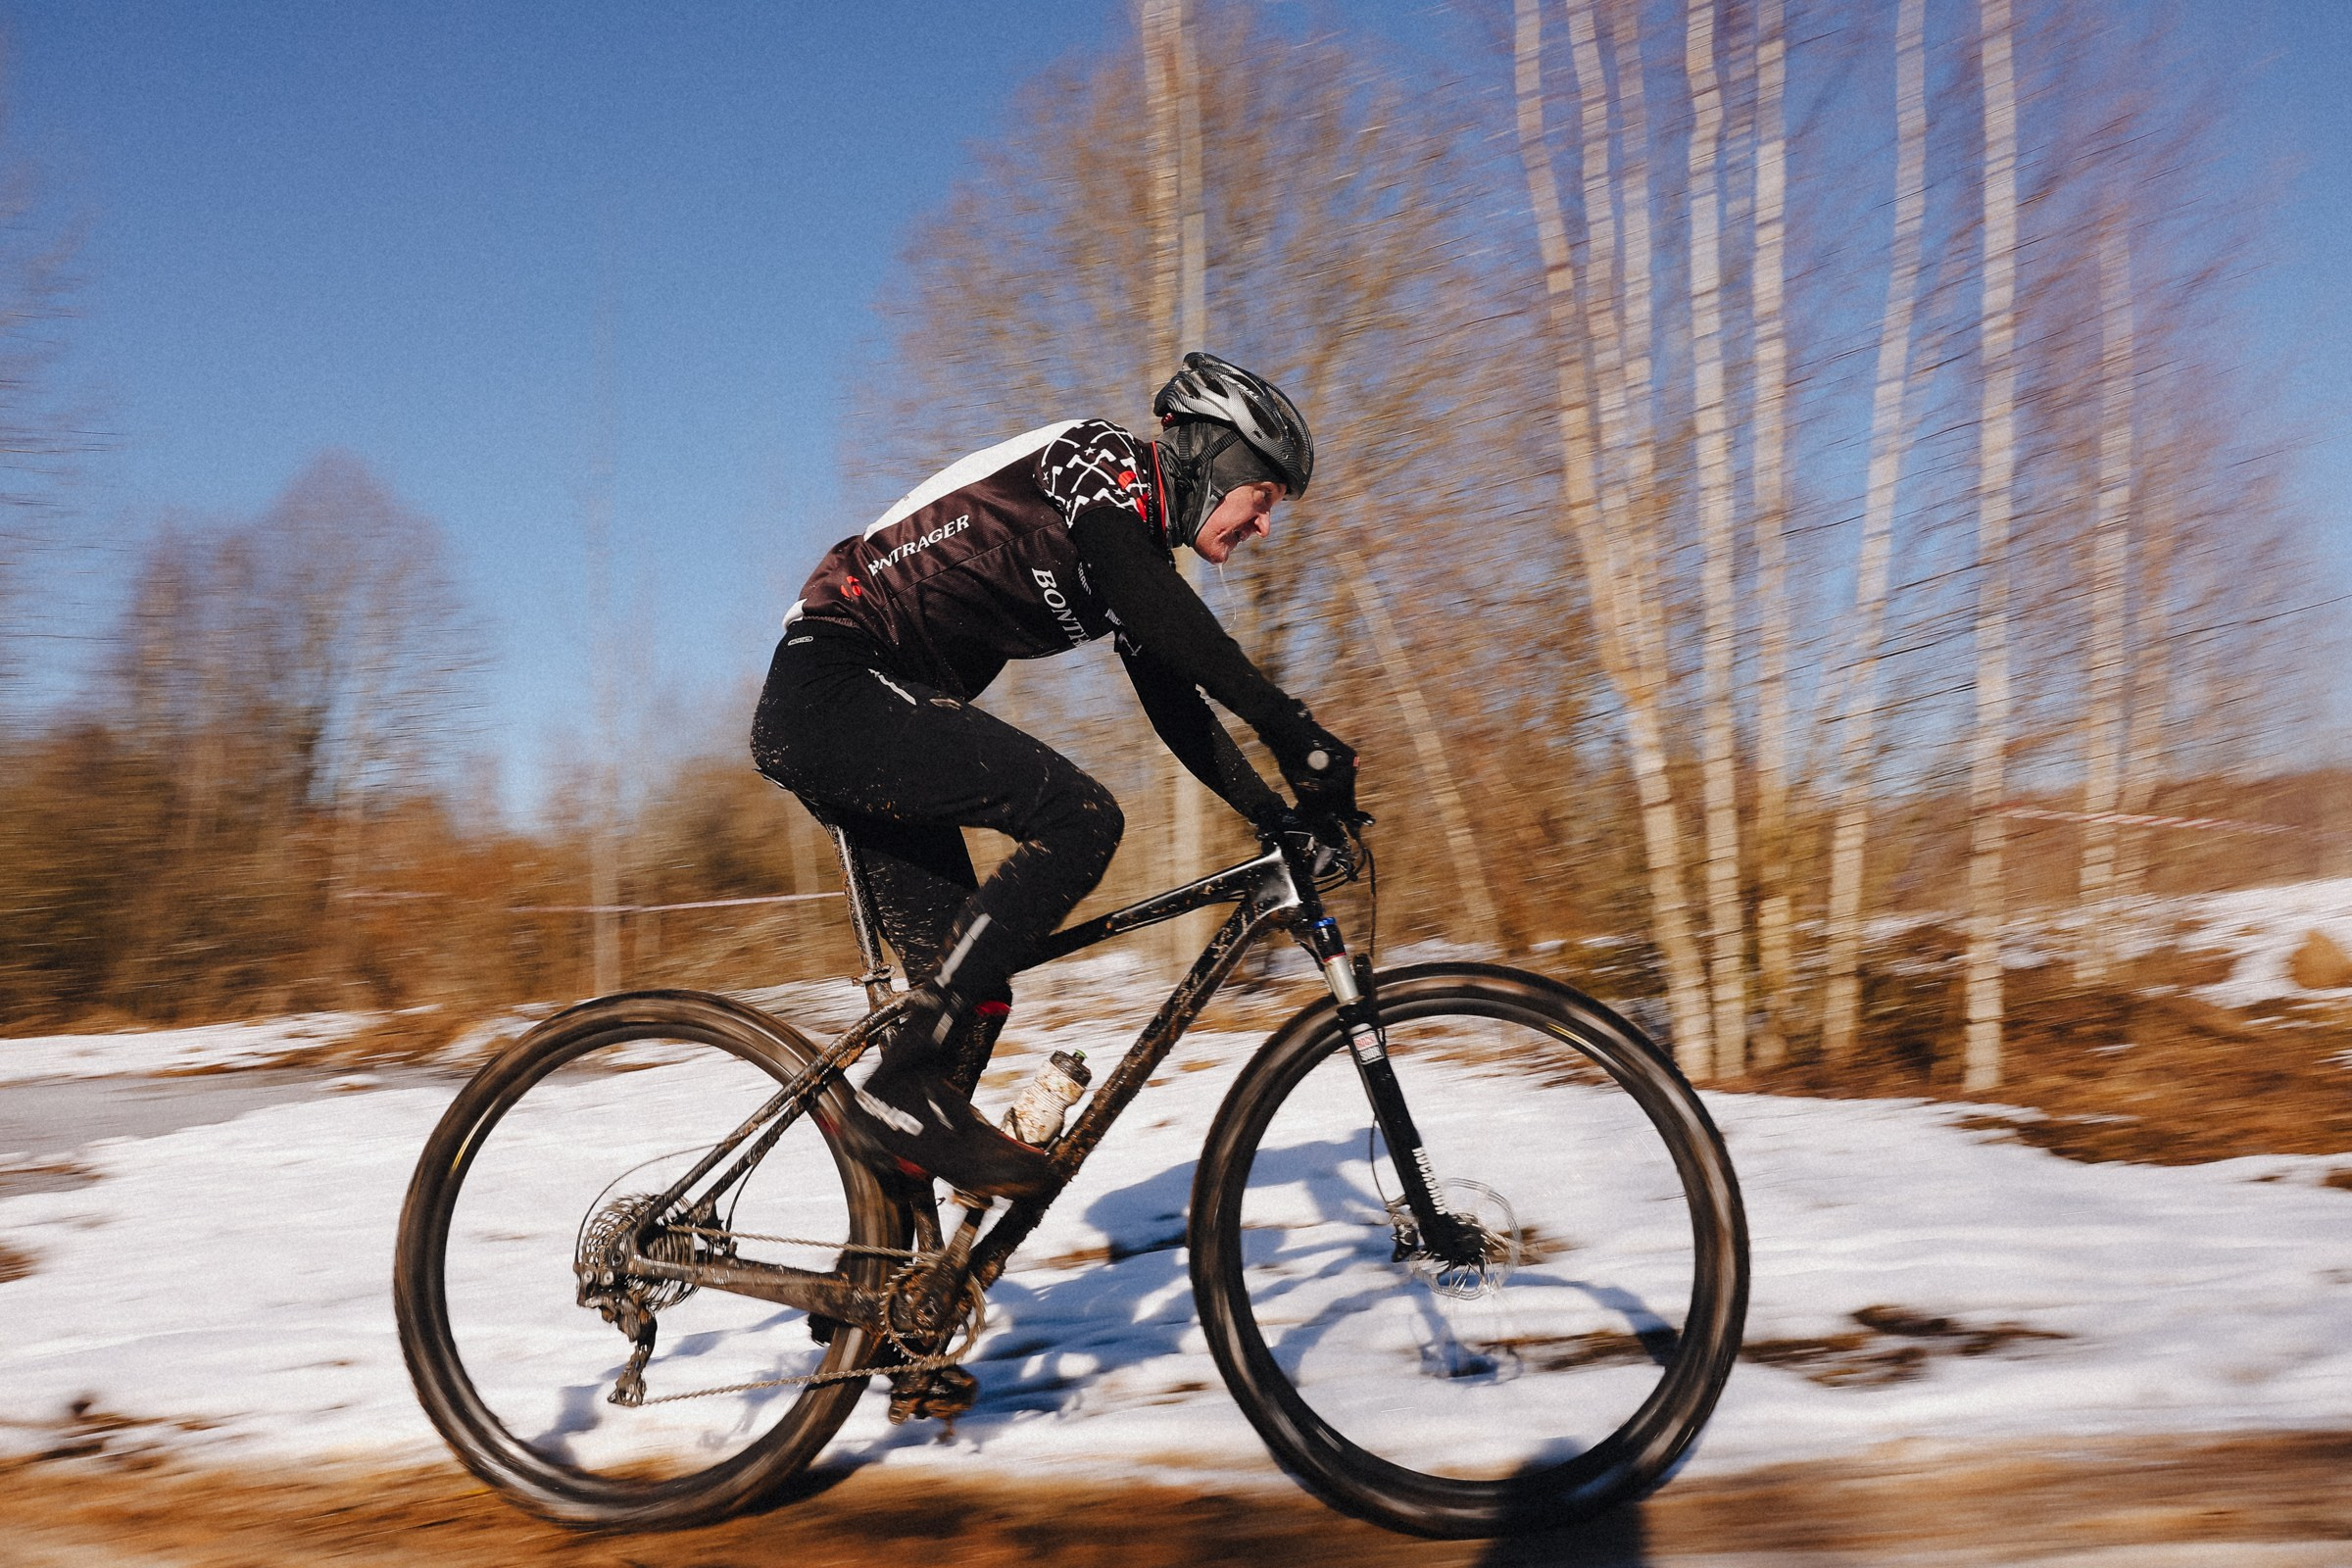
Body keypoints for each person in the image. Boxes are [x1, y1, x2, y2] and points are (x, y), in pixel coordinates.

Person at [750, 353, 1356, 1202]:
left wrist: (1273, 813)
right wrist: (1293, 730)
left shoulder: (1132, 563)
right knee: (1081, 816)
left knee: (971, 997)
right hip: (834, 685)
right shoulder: (1095, 459)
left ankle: (887, 1258)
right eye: (1262, 498)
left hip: (877, 715)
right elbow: (1158, 610)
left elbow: (1177, 706)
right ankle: (898, 1089)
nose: (1263, 527)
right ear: (1215, 459)